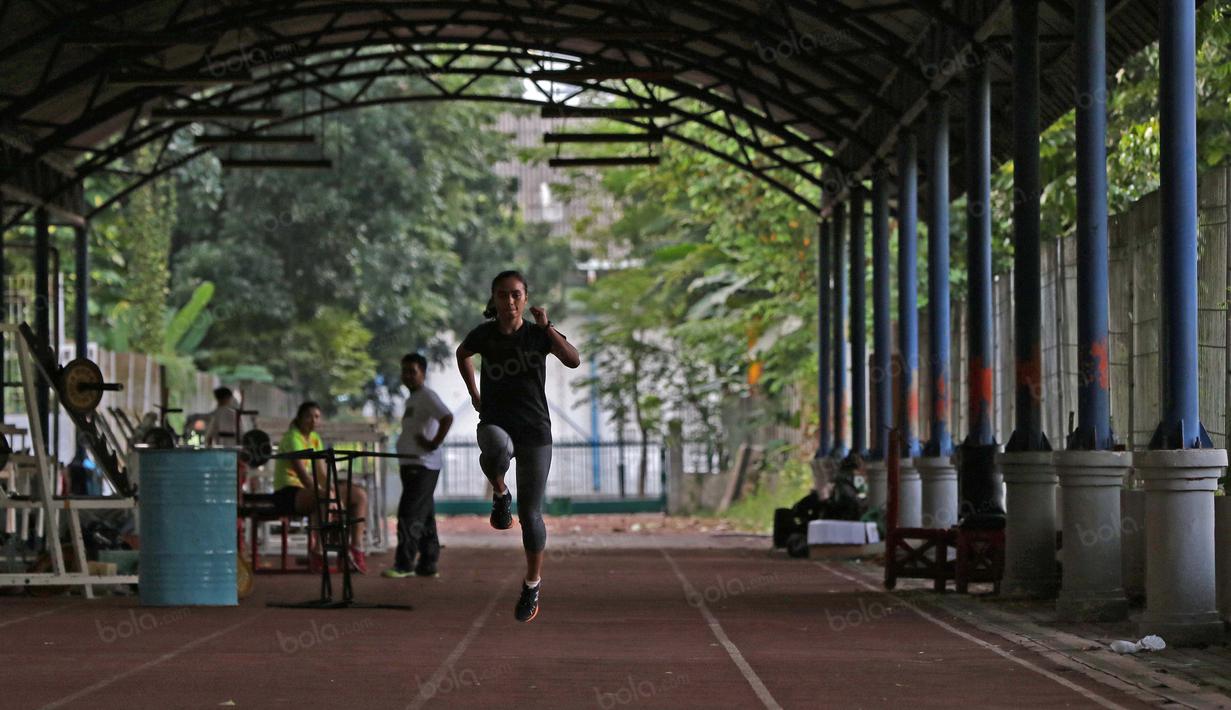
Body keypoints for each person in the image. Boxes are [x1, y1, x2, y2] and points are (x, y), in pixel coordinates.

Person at [456, 270, 580, 622]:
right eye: (502, 295)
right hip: (495, 420)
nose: (509, 301)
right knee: (494, 448)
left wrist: (547, 326)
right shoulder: (484, 334)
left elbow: (573, 360)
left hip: (535, 430)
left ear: (525, 298)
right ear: (493, 298)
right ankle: (500, 493)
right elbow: (462, 353)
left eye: (516, 295)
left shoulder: (538, 335)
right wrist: (474, 394)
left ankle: (532, 584)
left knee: (530, 515)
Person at [272, 402, 370, 574]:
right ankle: (318, 552)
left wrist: (333, 491)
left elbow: (322, 474)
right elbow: (304, 477)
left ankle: (356, 548)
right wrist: (331, 496)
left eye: (316, 417)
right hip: (287, 492)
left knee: (359, 495)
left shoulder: (315, 438)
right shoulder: (292, 438)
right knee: (325, 497)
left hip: (308, 491)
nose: (313, 420)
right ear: (299, 418)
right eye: (308, 416)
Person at [383, 353, 454, 579]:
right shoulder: (412, 399)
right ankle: (428, 563)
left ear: (423, 373)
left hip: (423, 465)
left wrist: (434, 443)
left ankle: (404, 564)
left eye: (412, 371)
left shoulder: (427, 396)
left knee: (409, 514)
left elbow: (447, 417)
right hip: (411, 464)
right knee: (424, 515)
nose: (407, 376)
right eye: (404, 371)